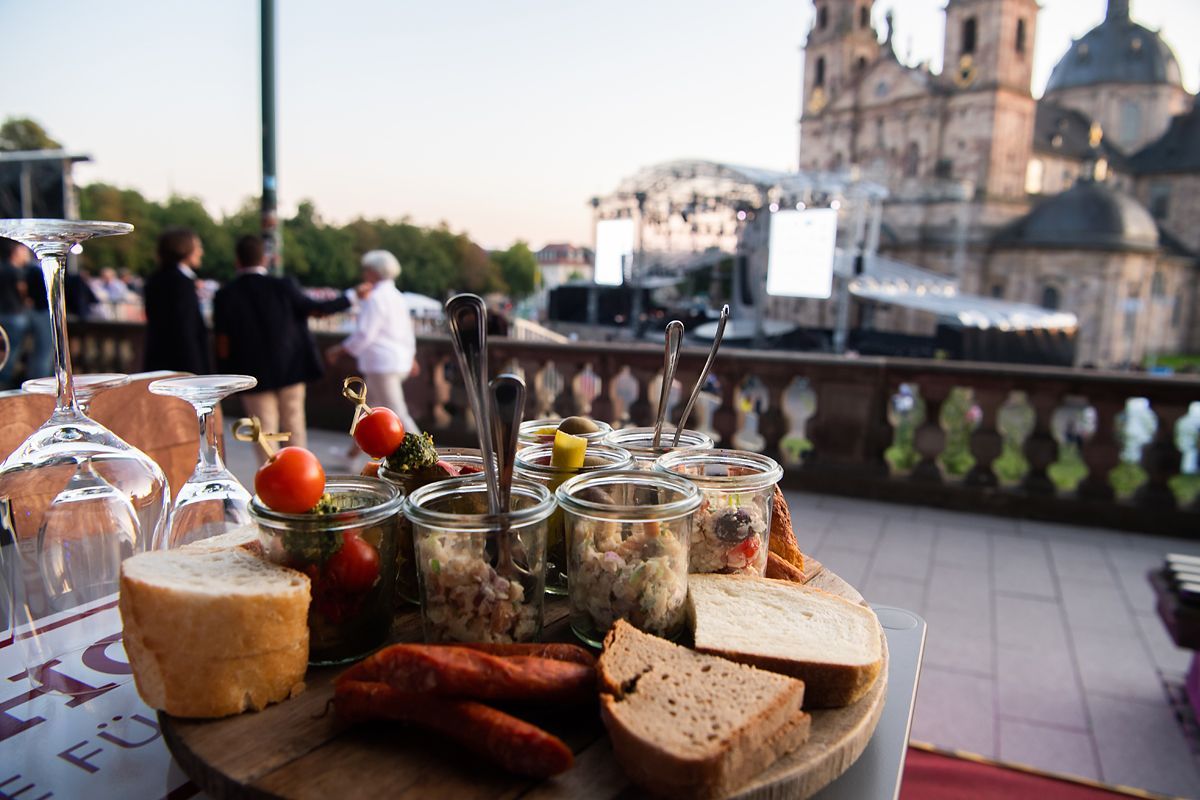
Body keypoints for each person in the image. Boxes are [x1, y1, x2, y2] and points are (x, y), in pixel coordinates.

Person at [213, 235, 352, 459]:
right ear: (265, 259)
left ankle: (271, 476)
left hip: (252, 373)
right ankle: (300, 472)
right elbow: (316, 309)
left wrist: (225, 380)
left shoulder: (225, 294)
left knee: (264, 432)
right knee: (294, 423)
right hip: (291, 367)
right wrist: (349, 298)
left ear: (237, 261)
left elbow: (222, 341)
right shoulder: (283, 286)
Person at [325, 250, 420, 435]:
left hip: (381, 363)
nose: (363, 274)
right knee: (370, 411)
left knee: (396, 413)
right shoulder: (397, 296)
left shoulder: (375, 298)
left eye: (366, 270)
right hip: (395, 360)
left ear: (374, 272)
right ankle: (355, 450)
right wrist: (411, 356)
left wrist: (340, 349)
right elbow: (407, 332)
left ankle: (425, 451)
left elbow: (365, 333)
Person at [143, 227, 211, 375]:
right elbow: (186, 331)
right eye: (197, 246)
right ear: (184, 248)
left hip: (158, 362)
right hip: (182, 368)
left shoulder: (154, 279)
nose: (201, 252)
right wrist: (197, 373)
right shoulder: (182, 283)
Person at [0, 239, 30, 389]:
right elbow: (22, 290)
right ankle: (4, 381)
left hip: (3, 314)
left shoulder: (2, 268)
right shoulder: (16, 271)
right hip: (15, 314)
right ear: (16, 252)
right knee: (12, 350)